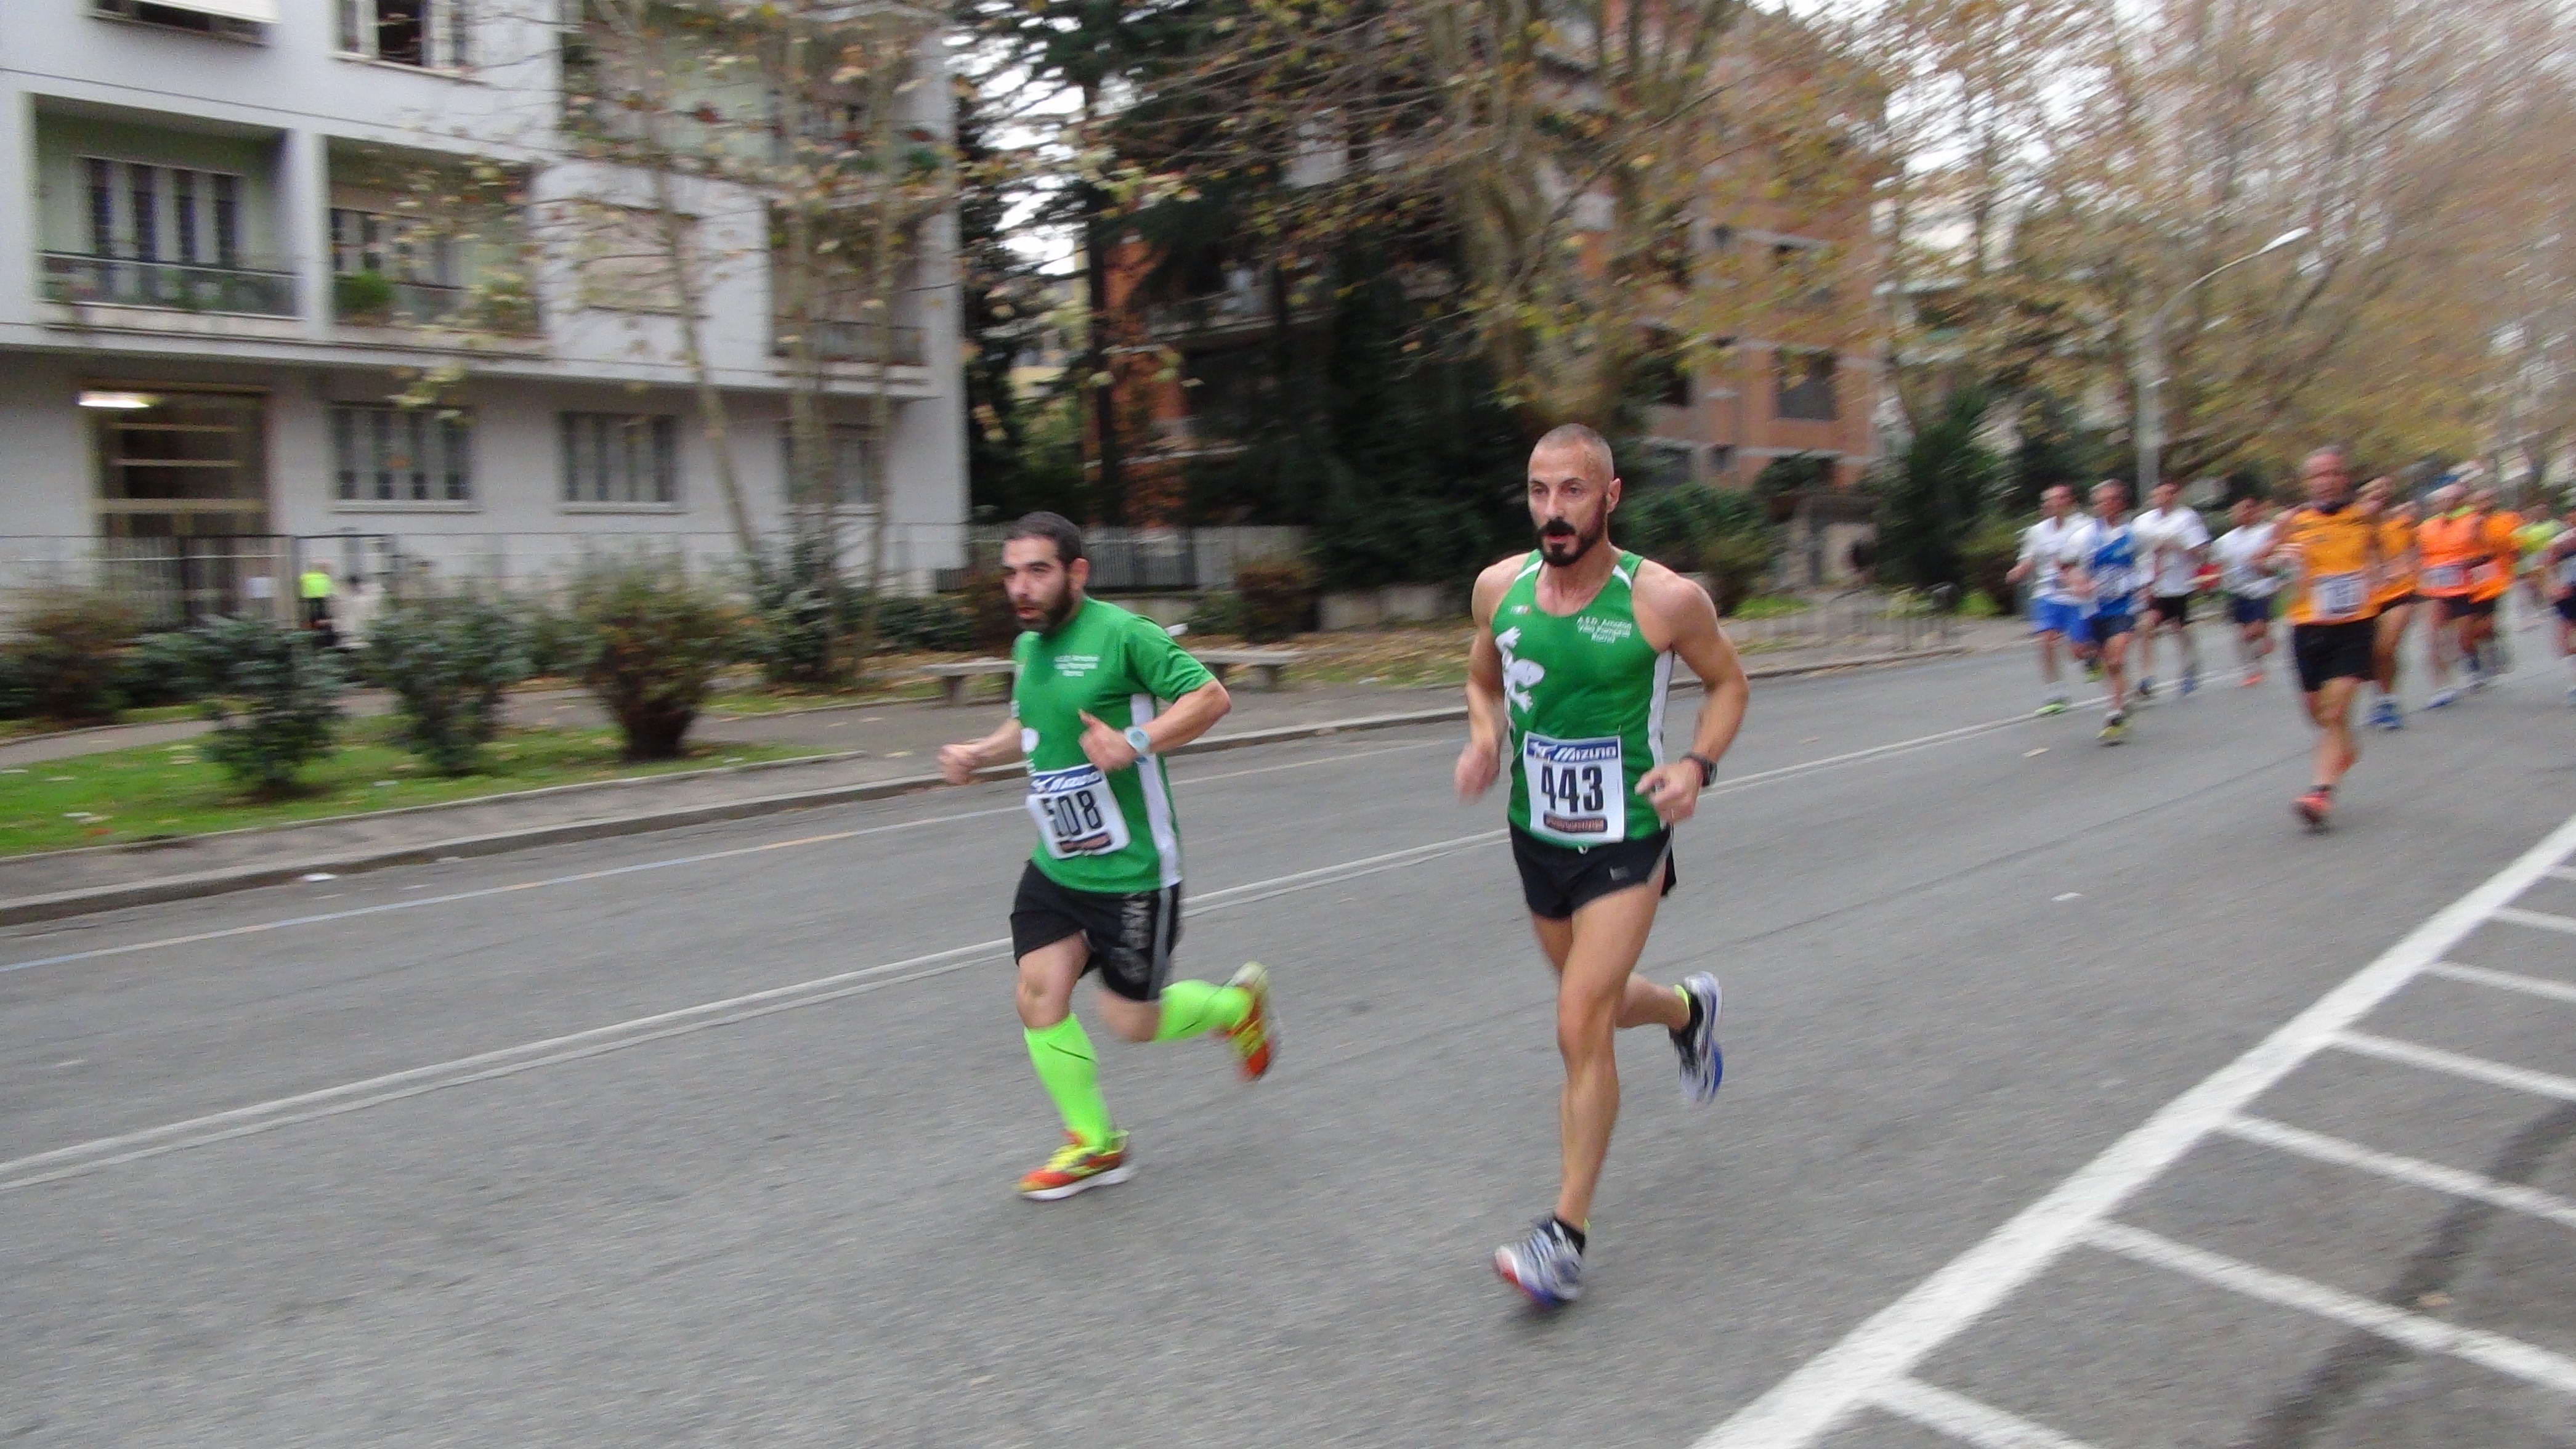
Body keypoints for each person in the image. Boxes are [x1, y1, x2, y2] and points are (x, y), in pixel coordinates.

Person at [1457, 423, 1748, 1308]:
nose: (1553, 510)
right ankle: (1688, 1009)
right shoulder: (1498, 589)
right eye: (1539, 491)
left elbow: (1729, 684)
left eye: (1573, 491)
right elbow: (1481, 680)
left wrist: (1696, 766)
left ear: (1610, 497)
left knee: (1577, 1018)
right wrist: (1484, 736)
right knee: (1604, 1005)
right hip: (1535, 834)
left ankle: (1563, 1238)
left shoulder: (1663, 599)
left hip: (1628, 835)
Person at [936, 512, 1275, 1201]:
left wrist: (1136, 741)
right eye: (1011, 573)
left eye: (1038, 571)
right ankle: (1096, 1144)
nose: (1021, 587)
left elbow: (1210, 697)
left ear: (1077, 572)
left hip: (1134, 872)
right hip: (1059, 863)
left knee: (1131, 1022)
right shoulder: (1029, 646)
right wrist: (981, 752)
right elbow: (1031, 720)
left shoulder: (1125, 635)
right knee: (1038, 994)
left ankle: (1233, 1007)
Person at [2266, 447, 2382, 829]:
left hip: (2354, 625)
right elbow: (2262, 562)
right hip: (2307, 626)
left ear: (2344, 477)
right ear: (2307, 482)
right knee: (2317, 713)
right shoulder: (2292, 521)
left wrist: (2380, 577)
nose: (2326, 481)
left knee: (2334, 711)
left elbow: (2384, 556)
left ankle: (2320, 793)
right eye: (2318, 475)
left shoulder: (2365, 517)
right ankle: (2344, 751)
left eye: (2333, 474)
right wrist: (2281, 560)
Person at [2005, 484, 2091, 715]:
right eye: (2047, 501)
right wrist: (2019, 570)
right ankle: (2055, 693)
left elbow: (2092, 557)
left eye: (2056, 499)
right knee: (2046, 640)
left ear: (2068, 501)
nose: (2050, 504)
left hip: (2075, 595)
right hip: (2047, 593)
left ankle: (2089, 658)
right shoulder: (2037, 531)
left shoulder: (2085, 527)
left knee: (2078, 650)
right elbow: (2028, 558)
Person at [2067, 480, 2142, 743]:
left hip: (2123, 605)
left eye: (2109, 500)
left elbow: (2148, 561)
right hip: (2093, 607)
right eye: (2099, 502)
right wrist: (2077, 581)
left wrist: (2147, 585)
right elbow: (2066, 565)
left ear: (2121, 503)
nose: (2103, 506)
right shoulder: (2084, 537)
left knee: (2115, 660)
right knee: (2095, 658)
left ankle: (2115, 715)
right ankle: (2120, 697)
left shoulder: (2135, 534)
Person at [2132, 478, 2211, 699]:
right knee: (2146, 626)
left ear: (2175, 496)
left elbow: (2202, 551)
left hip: (2178, 585)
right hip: (2153, 584)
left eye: (2167, 494)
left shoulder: (2186, 519)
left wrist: (2174, 545)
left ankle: (2189, 665)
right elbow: (2134, 551)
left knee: (2180, 629)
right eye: (2157, 494)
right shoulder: (2142, 522)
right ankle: (2146, 677)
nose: (2161, 499)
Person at [2359, 479, 2419, 730]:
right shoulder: (2352, 528)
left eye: (2383, 492)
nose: (2378, 497)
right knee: (2374, 653)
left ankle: (2388, 702)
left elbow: (2415, 551)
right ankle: (2382, 696)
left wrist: (2410, 570)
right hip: (2365, 598)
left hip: (2399, 591)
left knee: (2386, 648)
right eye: (2372, 493)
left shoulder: (2401, 523)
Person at [2415, 482, 2476, 707]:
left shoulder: (2472, 521)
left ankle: (2469, 660)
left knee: (2463, 637)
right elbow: (2416, 553)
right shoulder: (2425, 527)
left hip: (2464, 587)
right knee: (2433, 637)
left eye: (2452, 499)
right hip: (2434, 589)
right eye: (2441, 501)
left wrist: (2469, 561)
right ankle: (2442, 686)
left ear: (2461, 501)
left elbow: (2484, 549)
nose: (2446, 504)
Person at [2211, 497, 2280, 686]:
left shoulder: (2267, 532)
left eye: (2249, 509)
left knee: (2253, 631)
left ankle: (2263, 641)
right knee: (2243, 635)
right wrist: (2217, 584)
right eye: (2240, 510)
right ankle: (2252, 670)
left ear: (2256, 512)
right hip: (2237, 591)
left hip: (2262, 588)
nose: (2245, 513)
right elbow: (2219, 566)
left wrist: (2274, 573)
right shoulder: (2224, 541)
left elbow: (2277, 556)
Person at [2462, 484, 2522, 685]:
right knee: (2469, 627)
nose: (2485, 504)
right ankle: (2476, 661)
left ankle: (2492, 647)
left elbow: (2514, 546)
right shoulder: (2465, 523)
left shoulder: (2505, 519)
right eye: (2480, 500)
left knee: (2486, 624)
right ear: (2471, 503)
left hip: (2494, 579)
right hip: (2465, 581)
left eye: (2488, 499)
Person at [2545, 502, 2576, 705]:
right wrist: (2553, 586)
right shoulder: (2560, 543)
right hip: (2568, 592)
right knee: (2565, 637)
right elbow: (2546, 567)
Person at [298, 561, 338, 651]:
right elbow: (332, 593)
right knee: (323, 620)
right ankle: (326, 644)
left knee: (314, 620)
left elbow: (301, 589)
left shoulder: (305, 577)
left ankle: (316, 644)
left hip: (309, 601)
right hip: (322, 601)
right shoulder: (325, 577)